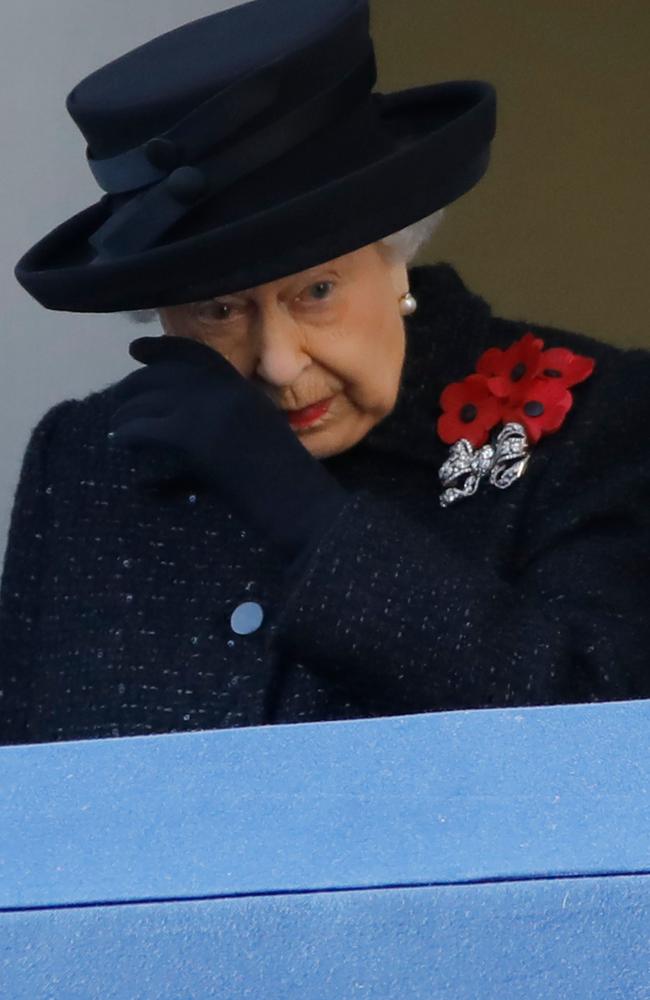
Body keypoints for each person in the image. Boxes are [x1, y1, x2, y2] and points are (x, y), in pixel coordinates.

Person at [2, 0, 649, 746]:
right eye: (220, 310)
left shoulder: (597, 418)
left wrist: (308, 520)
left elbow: (601, 736)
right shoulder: (84, 459)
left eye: (316, 292)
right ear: (161, 316)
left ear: (395, 252)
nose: (278, 362)